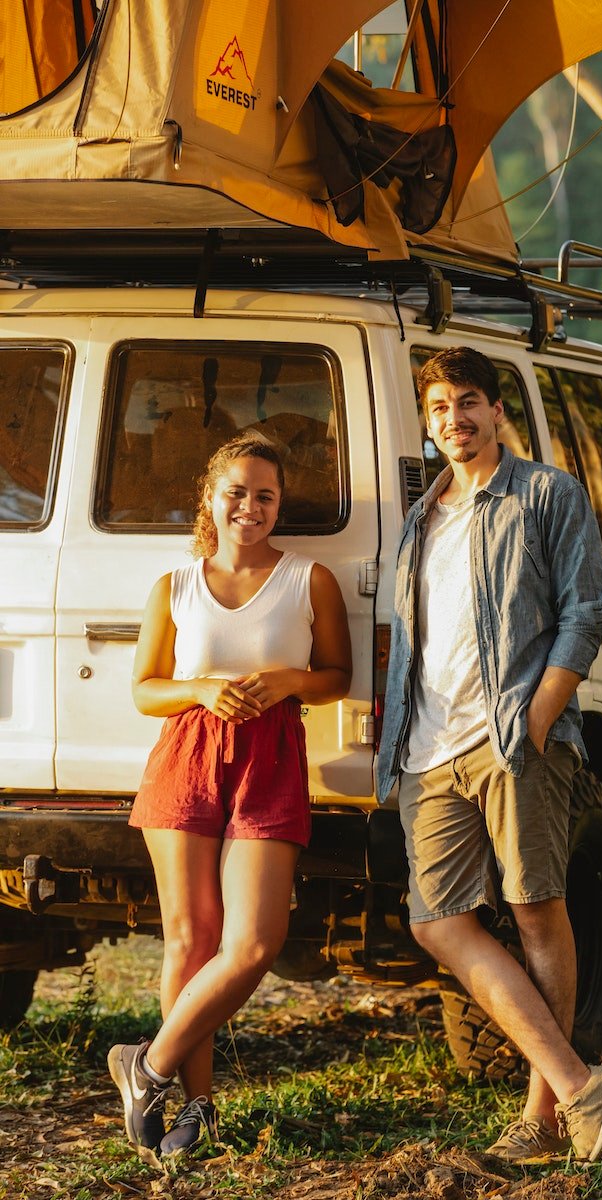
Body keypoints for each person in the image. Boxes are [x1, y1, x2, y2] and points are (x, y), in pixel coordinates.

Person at [377, 347, 602, 1164]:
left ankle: (545, 1119)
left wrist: (536, 715)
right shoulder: (423, 517)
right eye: (441, 406)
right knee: (440, 921)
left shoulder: (546, 493)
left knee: (534, 911)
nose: (455, 419)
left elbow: (584, 611)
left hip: (512, 739)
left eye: (469, 402)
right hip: (429, 750)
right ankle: (580, 1084)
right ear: (429, 421)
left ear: (497, 410)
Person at [108, 431, 351, 1160]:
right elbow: (145, 689)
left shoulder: (310, 579)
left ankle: (144, 1065)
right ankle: (197, 1107)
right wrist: (202, 689)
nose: (250, 506)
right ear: (210, 500)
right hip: (187, 754)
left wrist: (286, 681)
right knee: (192, 939)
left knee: (252, 943)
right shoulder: (174, 586)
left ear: (280, 505)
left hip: (272, 759)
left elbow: (337, 675)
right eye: (236, 492)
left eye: (265, 495)